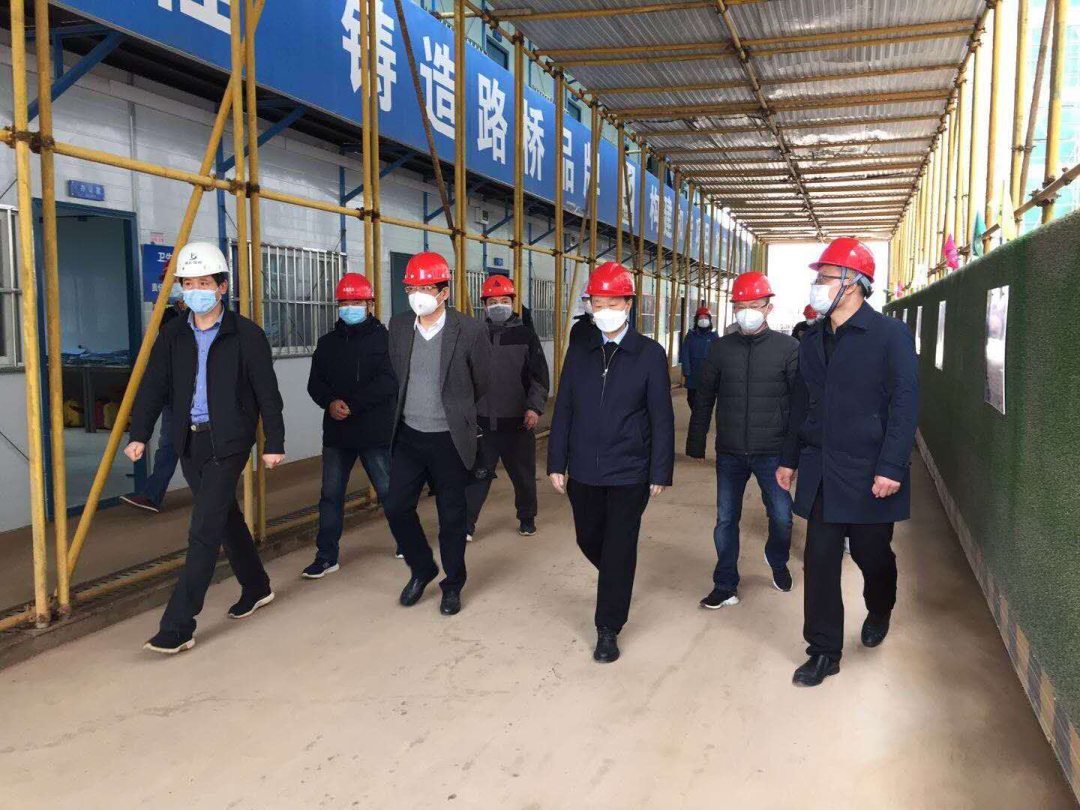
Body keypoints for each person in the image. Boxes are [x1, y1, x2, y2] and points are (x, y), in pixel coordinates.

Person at [127, 241, 285, 654]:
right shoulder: (173, 334)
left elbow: (267, 393)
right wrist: (139, 433)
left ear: (221, 286)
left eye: (203, 283)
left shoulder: (246, 335)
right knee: (224, 517)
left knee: (203, 530)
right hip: (188, 441)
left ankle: (178, 625)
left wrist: (275, 441)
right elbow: (154, 386)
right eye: (188, 283)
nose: (194, 290)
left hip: (228, 441)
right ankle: (257, 586)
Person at [778, 238, 918, 687]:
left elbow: (904, 404)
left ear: (853, 283)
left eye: (825, 277)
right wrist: (788, 458)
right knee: (819, 559)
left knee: (870, 553)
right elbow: (800, 402)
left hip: (869, 468)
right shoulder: (812, 338)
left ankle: (880, 607)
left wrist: (892, 466)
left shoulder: (889, 335)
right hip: (821, 467)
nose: (817, 285)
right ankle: (823, 651)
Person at [547, 262, 675, 663]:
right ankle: (619, 575)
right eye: (597, 303)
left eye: (612, 303)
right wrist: (556, 461)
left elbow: (661, 416)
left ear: (629, 304)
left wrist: (659, 470)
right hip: (584, 467)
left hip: (630, 470)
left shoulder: (649, 354)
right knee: (588, 538)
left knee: (619, 546)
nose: (603, 310)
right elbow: (564, 408)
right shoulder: (580, 351)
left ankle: (608, 627)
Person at [384, 252, 491, 616]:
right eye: (412, 288)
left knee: (452, 517)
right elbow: (397, 375)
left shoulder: (470, 330)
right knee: (396, 506)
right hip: (409, 434)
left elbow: (482, 382)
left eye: (427, 288)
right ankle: (422, 568)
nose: (418, 295)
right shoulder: (399, 326)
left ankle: (453, 584)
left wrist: (458, 412)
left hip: (449, 438)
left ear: (444, 292)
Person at [686, 272, 799, 610]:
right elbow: (704, 395)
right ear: (733, 308)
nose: (747, 312)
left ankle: (777, 560)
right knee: (725, 519)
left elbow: (800, 404)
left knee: (782, 517)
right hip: (730, 451)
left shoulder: (789, 349)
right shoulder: (721, 348)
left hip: (772, 452)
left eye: (755, 305)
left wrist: (794, 454)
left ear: (768, 308)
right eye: (740, 306)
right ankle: (725, 585)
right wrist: (696, 440)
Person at [302, 272, 399, 579]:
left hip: (374, 431)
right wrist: (330, 402)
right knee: (330, 495)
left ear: (370, 304)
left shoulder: (386, 340)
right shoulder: (327, 343)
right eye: (344, 303)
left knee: (388, 489)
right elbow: (315, 383)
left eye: (356, 302)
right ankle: (326, 556)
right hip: (337, 433)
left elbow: (389, 382)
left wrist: (354, 404)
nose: (350, 308)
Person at [465, 274, 549, 540]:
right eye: (492, 302)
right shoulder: (474, 336)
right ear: (484, 305)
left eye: (504, 300)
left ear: (513, 303)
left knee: (523, 477)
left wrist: (534, 408)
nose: (498, 305)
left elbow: (539, 377)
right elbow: (464, 376)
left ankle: (527, 518)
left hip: (518, 424)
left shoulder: (526, 335)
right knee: (477, 477)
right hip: (483, 424)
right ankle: (466, 525)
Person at [120, 278, 187, 514]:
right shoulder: (168, 319)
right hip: (174, 394)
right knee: (168, 445)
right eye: (185, 286)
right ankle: (152, 495)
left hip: (202, 397)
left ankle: (215, 494)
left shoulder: (214, 320)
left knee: (206, 448)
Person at [679, 305, 718, 414]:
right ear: (696, 320)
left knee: (707, 401)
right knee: (691, 399)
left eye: (706, 318)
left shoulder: (714, 336)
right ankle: (696, 415)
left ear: (710, 320)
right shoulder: (690, 336)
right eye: (700, 318)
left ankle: (701, 417)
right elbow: (685, 353)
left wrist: (717, 373)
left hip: (709, 375)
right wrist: (686, 370)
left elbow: (718, 355)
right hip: (693, 374)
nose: (703, 320)